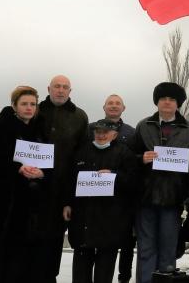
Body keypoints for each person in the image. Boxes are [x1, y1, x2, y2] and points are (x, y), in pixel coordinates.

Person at [0, 86, 56, 283]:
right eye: (24, 104)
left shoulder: (40, 129)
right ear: (14, 105)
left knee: (24, 266)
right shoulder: (1, 127)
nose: (29, 108)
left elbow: (49, 164)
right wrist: (16, 169)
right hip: (5, 208)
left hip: (31, 210)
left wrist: (42, 173)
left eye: (33, 104)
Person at [130, 82, 189, 283]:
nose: (167, 103)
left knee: (168, 250)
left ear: (177, 104)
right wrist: (140, 159)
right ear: (157, 103)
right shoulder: (143, 126)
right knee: (145, 248)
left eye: (171, 99)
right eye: (163, 99)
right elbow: (129, 158)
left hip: (173, 198)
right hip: (146, 197)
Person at [64, 119, 138, 283]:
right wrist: (68, 203)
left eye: (106, 132)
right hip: (83, 221)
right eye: (98, 132)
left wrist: (114, 176)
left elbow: (133, 182)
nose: (101, 135)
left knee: (104, 273)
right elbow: (70, 180)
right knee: (81, 273)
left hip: (110, 223)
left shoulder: (124, 154)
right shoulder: (81, 152)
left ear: (115, 134)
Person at [40, 74, 90, 280]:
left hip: (61, 191)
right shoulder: (36, 111)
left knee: (53, 242)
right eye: (57, 86)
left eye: (65, 87)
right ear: (49, 88)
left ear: (70, 91)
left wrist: (70, 199)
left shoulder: (79, 117)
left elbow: (81, 159)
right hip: (32, 189)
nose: (60, 90)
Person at [91, 94, 138, 283]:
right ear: (104, 107)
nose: (113, 106)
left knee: (126, 242)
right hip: (95, 194)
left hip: (122, 196)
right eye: (110, 103)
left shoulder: (132, 133)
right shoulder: (91, 129)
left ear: (123, 108)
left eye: (117, 103)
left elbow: (134, 162)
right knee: (99, 243)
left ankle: (123, 277)